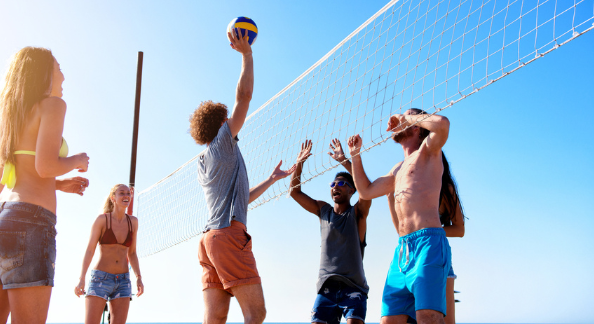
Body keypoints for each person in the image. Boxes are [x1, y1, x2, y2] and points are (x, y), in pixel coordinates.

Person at [0, 47, 90, 324]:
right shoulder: (53, 105)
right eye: (58, 67)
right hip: (29, 223)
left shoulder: (11, 117)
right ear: (43, 73)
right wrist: (77, 160)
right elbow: (45, 166)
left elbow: (2, 184)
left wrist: (58, 185)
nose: (63, 76)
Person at [190, 28, 295, 324]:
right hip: (227, 237)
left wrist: (272, 180)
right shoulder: (223, 142)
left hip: (208, 241)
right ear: (222, 122)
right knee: (255, 314)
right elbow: (244, 97)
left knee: (216, 319)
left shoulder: (204, 160)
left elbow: (241, 200)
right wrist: (247, 55)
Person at [347, 108, 452, 324]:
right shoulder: (398, 169)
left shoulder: (429, 151)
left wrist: (406, 118)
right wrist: (355, 155)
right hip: (403, 250)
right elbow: (366, 191)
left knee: (428, 318)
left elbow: (442, 124)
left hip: (428, 243)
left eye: (406, 117)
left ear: (415, 127)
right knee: (388, 320)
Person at [289, 139, 371, 324]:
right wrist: (299, 163)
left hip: (354, 287)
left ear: (352, 191)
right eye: (333, 184)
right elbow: (294, 192)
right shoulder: (323, 210)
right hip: (327, 287)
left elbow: (366, 189)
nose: (335, 187)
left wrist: (344, 160)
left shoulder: (358, 213)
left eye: (341, 184)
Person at [75, 184, 144, 324]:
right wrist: (82, 278)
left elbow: (132, 253)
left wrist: (138, 277)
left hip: (123, 281)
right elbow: (90, 250)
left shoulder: (133, 222)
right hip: (100, 278)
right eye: (122, 193)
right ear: (113, 197)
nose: (126, 196)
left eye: (128, 194)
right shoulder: (102, 220)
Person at [438, 156, 465, 324]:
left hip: (437, 253)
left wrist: (431, 231)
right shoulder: (409, 182)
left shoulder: (445, 188)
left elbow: (459, 229)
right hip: (409, 253)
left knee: (446, 320)